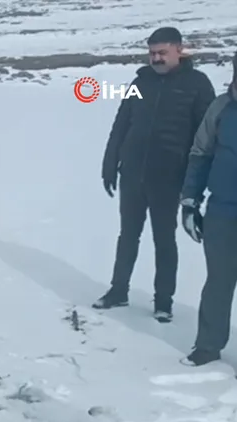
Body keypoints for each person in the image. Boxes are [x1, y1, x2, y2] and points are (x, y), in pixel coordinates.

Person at [94, 27, 216, 322]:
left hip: (169, 177)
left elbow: (206, 137)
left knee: (164, 239)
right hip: (133, 173)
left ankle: (164, 301)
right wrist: (110, 163)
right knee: (127, 236)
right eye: (152, 54)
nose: (156, 59)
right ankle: (118, 291)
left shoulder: (198, 85)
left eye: (162, 53)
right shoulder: (141, 81)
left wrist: (194, 184)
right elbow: (121, 124)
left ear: (179, 50)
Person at [178, 50, 237, 367]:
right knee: (219, 280)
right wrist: (189, 201)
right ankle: (208, 345)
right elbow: (200, 154)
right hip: (223, 211)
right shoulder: (222, 107)